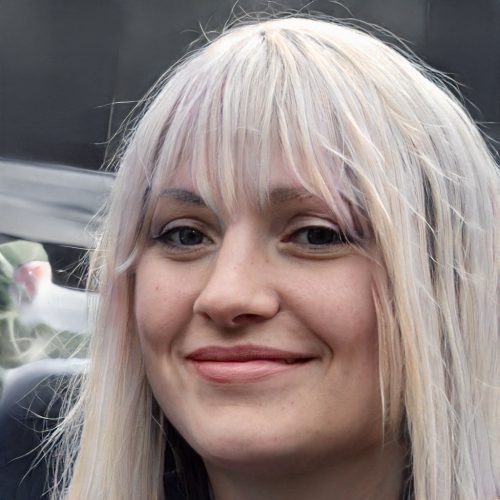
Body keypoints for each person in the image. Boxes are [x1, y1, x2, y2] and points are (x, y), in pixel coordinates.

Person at [10, 16, 499, 500]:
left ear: (450, 281)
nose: (226, 296)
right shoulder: (21, 447)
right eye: (184, 235)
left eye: (316, 235)